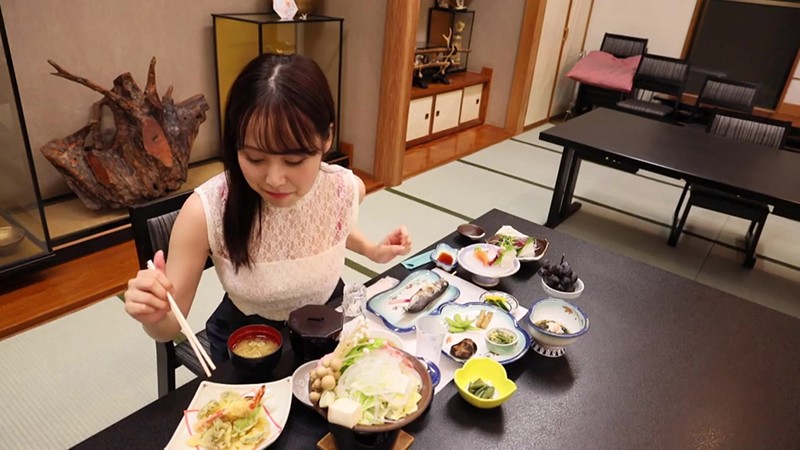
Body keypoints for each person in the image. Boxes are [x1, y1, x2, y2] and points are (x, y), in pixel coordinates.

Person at [123, 53, 412, 364]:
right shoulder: (204, 212)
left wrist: (370, 249)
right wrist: (153, 315)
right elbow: (169, 327)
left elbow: (330, 227)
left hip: (326, 326)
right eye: (255, 158)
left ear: (327, 137)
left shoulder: (344, 188)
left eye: (294, 160)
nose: (274, 179)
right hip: (247, 346)